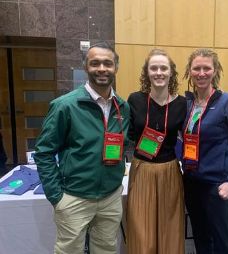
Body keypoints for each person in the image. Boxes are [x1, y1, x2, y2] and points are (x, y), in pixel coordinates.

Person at [34, 42, 130, 254]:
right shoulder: (65, 105)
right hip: (74, 197)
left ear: (116, 68)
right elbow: (44, 153)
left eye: (108, 63)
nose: (102, 69)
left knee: (106, 249)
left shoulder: (123, 107)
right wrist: (56, 196)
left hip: (110, 196)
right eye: (95, 63)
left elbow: (124, 144)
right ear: (86, 67)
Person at [182, 48, 228, 254]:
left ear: (215, 71)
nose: (201, 73)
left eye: (207, 68)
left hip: (218, 187)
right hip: (192, 185)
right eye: (197, 68)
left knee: (224, 245)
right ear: (190, 71)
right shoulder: (188, 104)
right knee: (202, 242)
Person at [126, 49, 186, 254]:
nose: (159, 72)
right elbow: (130, 134)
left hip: (169, 171)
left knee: (170, 231)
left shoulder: (182, 104)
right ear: (147, 73)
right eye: (154, 68)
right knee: (141, 231)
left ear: (171, 73)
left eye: (163, 68)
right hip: (142, 170)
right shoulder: (135, 100)